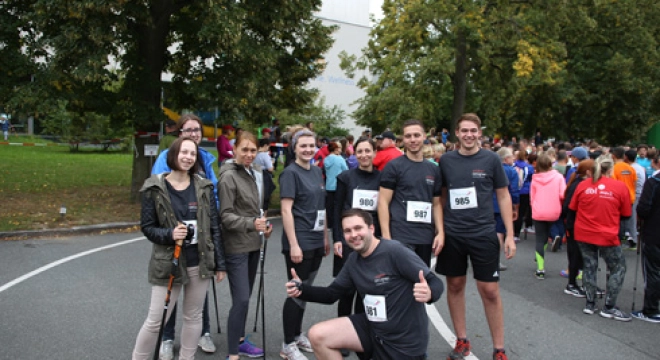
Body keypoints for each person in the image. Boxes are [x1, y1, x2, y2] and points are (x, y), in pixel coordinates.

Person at [286, 209, 444, 360]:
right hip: (373, 329)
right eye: (347, 231)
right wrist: (301, 289)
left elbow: (435, 282)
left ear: (371, 228)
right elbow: (331, 294)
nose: (353, 235)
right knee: (318, 335)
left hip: (403, 343)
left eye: (358, 228)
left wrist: (429, 293)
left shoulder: (394, 251)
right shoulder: (353, 260)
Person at [132, 137, 226, 360]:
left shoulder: (203, 185)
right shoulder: (154, 187)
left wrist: (220, 264)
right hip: (169, 264)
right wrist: (170, 234)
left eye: (192, 154)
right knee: (156, 321)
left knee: (193, 316)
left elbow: (214, 226)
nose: (188, 157)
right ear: (173, 155)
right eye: (184, 152)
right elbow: (147, 227)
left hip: (199, 261)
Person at [435, 113, 516, 360]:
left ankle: (499, 349)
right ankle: (462, 340)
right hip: (454, 234)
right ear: (456, 133)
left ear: (479, 133)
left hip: (483, 233)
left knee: (489, 290)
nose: (469, 135)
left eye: (473, 130)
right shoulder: (446, 161)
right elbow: (440, 199)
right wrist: (440, 231)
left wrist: (510, 235)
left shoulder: (491, 159)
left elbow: (503, 195)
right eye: (464, 131)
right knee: (456, 285)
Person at [151, 114, 219, 359]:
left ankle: (204, 332)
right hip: (175, 235)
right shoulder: (165, 158)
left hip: (201, 234)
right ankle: (167, 338)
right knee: (173, 285)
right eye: (189, 129)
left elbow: (214, 193)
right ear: (179, 133)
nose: (194, 133)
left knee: (201, 284)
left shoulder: (206, 159)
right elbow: (158, 193)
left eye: (198, 130)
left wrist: (214, 218)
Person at [218, 131, 274, 360]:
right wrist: (252, 223)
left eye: (253, 150)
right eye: (245, 150)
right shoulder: (228, 176)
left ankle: (240, 340)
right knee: (240, 299)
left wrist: (264, 226)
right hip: (236, 245)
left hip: (253, 243)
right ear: (235, 150)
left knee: (246, 296)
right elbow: (226, 216)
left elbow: (258, 210)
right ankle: (233, 354)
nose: (249, 154)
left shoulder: (256, 172)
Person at [279, 129, 330, 360]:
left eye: (312, 145)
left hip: (316, 240)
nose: (308, 149)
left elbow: (322, 206)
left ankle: (297, 334)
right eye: (303, 146)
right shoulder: (290, 173)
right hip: (299, 241)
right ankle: (287, 344)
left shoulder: (317, 170)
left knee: (305, 290)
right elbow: (286, 210)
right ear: (294, 148)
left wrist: (325, 237)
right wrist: (294, 245)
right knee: (296, 292)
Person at [332, 137, 381, 343]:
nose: (363, 155)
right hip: (349, 240)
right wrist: (337, 238)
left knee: (367, 290)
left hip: (371, 241)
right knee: (346, 290)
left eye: (367, 151)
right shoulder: (346, 177)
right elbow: (336, 210)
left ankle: (362, 335)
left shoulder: (382, 178)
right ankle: (342, 337)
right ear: (354, 154)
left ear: (374, 153)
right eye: (359, 151)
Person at [569, 158, 632, 320]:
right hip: (607, 233)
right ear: (611, 170)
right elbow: (626, 214)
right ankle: (609, 306)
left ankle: (590, 303)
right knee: (618, 267)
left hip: (584, 231)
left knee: (589, 265)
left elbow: (573, 207)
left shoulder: (583, 185)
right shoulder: (619, 187)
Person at [378, 120, 443, 267]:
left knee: (421, 282)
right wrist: (386, 237)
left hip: (425, 237)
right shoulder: (394, 167)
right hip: (400, 236)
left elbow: (437, 204)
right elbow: (383, 202)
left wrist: (440, 232)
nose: (412, 140)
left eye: (416, 135)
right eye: (408, 136)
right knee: (400, 285)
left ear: (424, 137)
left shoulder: (434, 170)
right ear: (403, 139)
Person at [633, 153, 660, 323]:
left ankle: (651, 310)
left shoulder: (654, 182)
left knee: (653, 271)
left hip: (654, 233)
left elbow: (643, 208)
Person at [560, 159, 594, 297]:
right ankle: (571, 284)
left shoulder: (583, 183)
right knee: (575, 254)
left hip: (579, 223)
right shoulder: (578, 185)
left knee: (581, 255)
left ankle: (584, 283)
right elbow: (568, 206)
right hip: (573, 224)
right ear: (588, 172)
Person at [530, 153, 566, 279]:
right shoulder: (559, 177)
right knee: (546, 236)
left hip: (538, 210)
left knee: (540, 238)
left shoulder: (535, 178)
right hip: (554, 210)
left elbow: (532, 197)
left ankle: (540, 268)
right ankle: (540, 255)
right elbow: (563, 194)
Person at [493, 148, 519, 271]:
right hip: (502, 205)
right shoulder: (511, 171)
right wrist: (515, 206)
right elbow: (513, 190)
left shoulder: (492, 168)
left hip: (488, 204)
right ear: (505, 158)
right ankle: (495, 260)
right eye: (511, 157)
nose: (513, 159)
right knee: (499, 233)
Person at [611, 147, 637, 250]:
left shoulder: (614, 168)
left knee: (618, 220)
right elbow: (634, 183)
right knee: (628, 220)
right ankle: (629, 239)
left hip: (618, 198)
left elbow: (614, 184)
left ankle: (619, 240)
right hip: (630, 197)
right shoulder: (630, 168)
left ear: (613, 156)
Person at [324, 142, 349, 231]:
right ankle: (338, 224)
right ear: (335, 149)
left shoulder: (326, 160)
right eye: (339, 148)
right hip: (338, 185)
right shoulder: (339, 159)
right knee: (338, 206)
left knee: (329, 206)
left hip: (328, 185)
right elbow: (346, 170)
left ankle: (330, 225)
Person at [624, 149, 645, 250]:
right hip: (638, 194)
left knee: (631, 218)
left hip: (634, 195)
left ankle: (633, 241)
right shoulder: (639, 167)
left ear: (626, 157)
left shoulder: (630, 169)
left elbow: (633, 183)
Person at [513, 149, 535, 240]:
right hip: (525, 191)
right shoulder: (529, 167)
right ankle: (517, 233)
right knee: (521, 212)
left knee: (512, 210)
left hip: (513, 190)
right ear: (526, 157)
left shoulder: (513, 165)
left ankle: (510, 231)